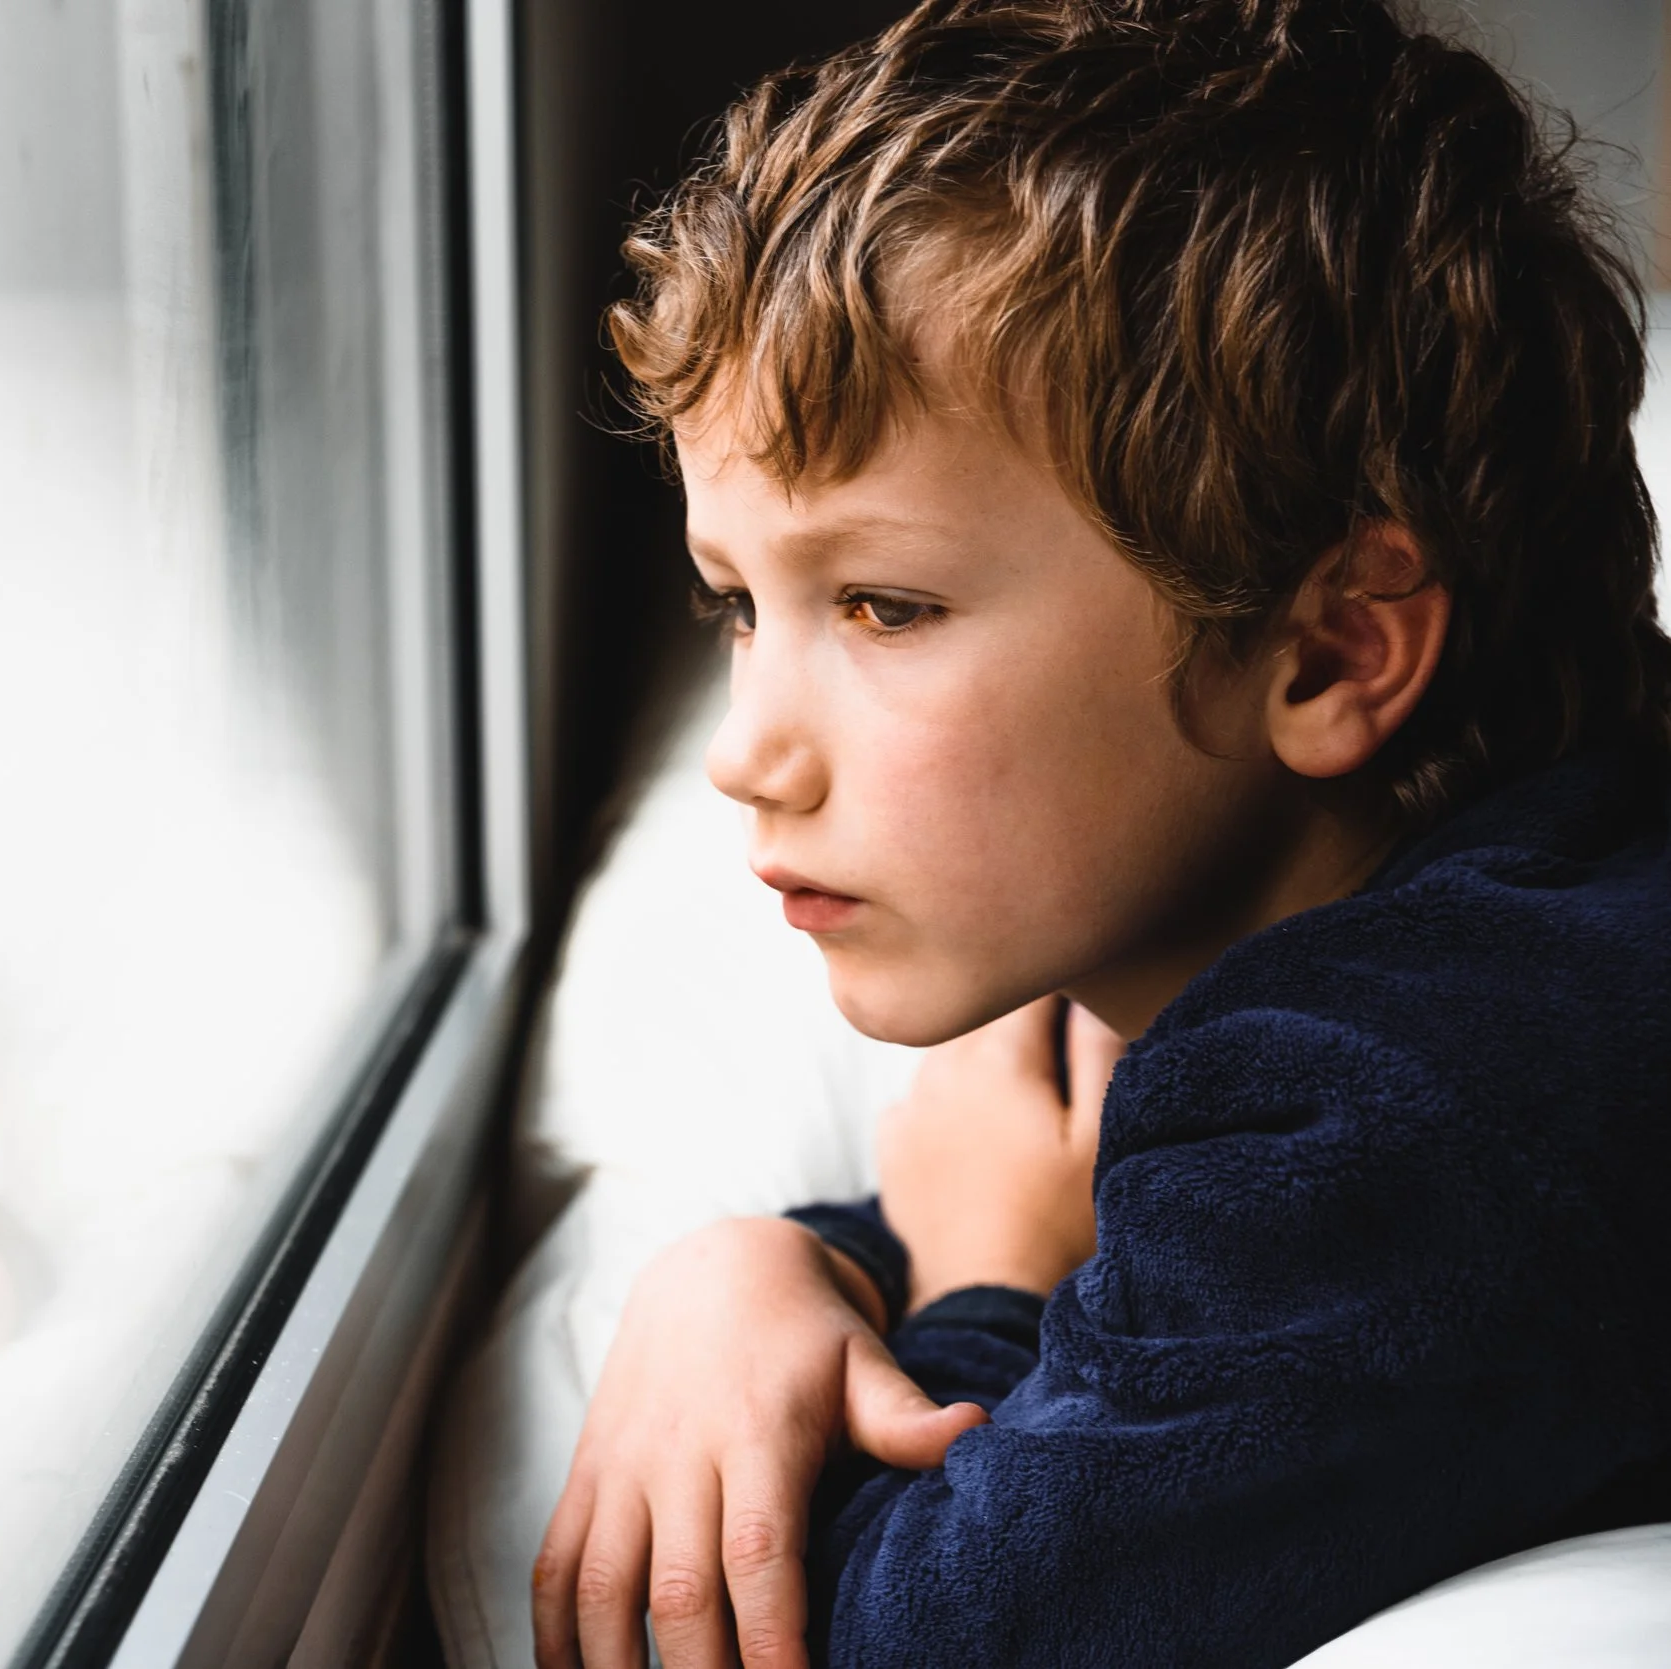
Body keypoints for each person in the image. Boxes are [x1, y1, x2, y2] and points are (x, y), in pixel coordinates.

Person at [528, 1, 1671, 1665]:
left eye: (885, 605)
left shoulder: (1405, 1107)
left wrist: (971, 1276)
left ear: (1333, 648)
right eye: (734, 604)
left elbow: (929, 1638)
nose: (749, 754)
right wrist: (768, 1267)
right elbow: (1172, 1309)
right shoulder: (1500, 928)